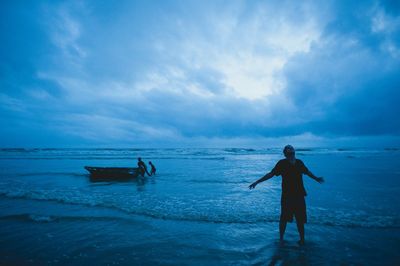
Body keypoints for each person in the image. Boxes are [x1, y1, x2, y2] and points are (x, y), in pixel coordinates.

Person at [249, 145, 324, 245]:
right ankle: (281, 239)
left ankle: (302, 240)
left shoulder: (299, 162)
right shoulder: (282, 163)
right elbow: (271, 174)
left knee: (300, 219)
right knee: (283, 218)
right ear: (285, 154)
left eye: (293, 153)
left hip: (299, 195)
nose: (291, 155)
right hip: (287, 195)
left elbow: (307, 172)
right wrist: (257, 182)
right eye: (289, 153)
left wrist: (316, 178)